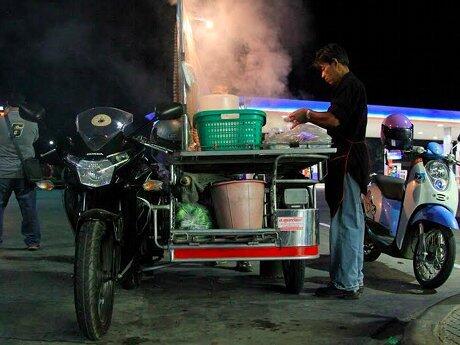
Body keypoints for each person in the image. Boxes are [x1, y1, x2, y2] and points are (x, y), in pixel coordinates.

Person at [286, 43, 369, 299]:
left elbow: (335, 120)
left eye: (323, 69)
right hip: (344, 160)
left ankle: (347, 284)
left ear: (335, 63)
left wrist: (307, 114)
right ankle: (347, 280)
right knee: (343, 221)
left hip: (349, 161)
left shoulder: (350, 85)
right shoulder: (347, 87)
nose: (323, 75)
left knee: (348, 222)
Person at [0, 93, 41, 250]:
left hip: (2, 171)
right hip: (25, 172)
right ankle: (33, 241)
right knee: (28, 207)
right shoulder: (32, 122)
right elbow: (35, 139)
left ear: (8, 105)